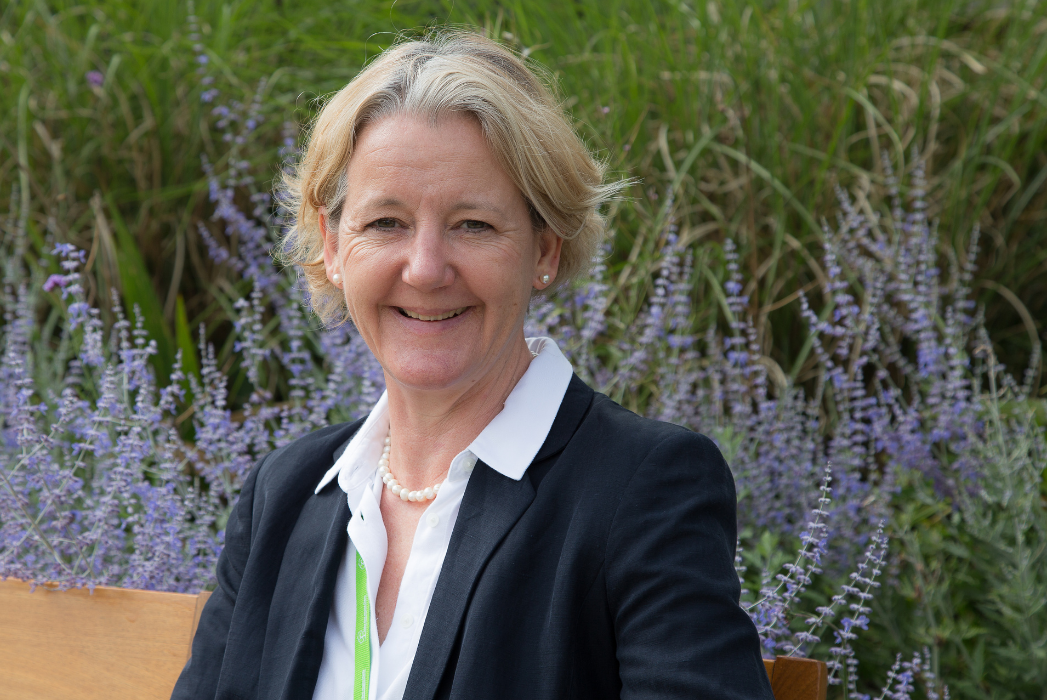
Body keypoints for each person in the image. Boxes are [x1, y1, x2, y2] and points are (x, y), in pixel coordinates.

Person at [172, 30, 772, 700]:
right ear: (334, 244)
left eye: (473, 226)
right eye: (387, 223)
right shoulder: (283, 496)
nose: (426, 269)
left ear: (544, 248)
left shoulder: (644, 490)